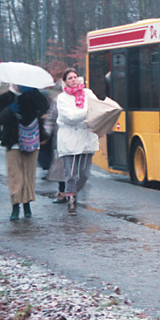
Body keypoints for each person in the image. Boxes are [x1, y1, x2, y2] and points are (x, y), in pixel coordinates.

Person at [0, 83, 49, 221]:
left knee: (29, 175)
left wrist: (34, 91)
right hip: (13, 142)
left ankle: (27, 203)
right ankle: (15, 205)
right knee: (15, 176)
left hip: (31, 140)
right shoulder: (4, 98)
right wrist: (9, 111)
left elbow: (44, 107)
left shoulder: (31, 95)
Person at [57, 68, 100, 216]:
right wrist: (86, 113)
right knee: (71, 174)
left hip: (87, 137)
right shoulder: (62, 98)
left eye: (75, 77)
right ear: (65, 82)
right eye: (70, 78)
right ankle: (71, 202)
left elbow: (97, 108)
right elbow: (69, 117)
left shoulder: (88, 93)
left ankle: (73, 192)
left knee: (85, 173)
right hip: (70, 139)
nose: (73, 80)